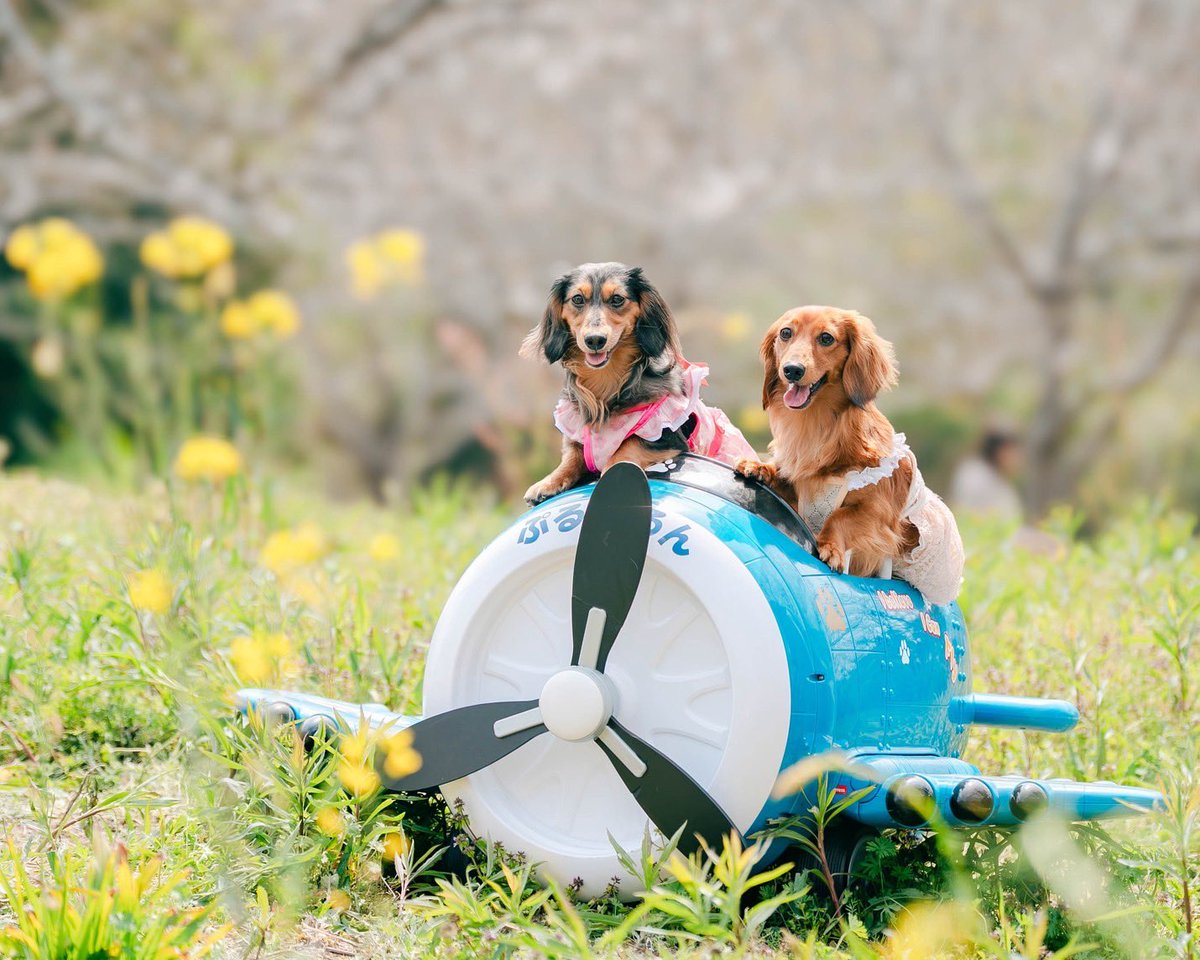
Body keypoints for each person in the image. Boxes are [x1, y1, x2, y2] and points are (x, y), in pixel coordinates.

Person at [951, 427, 1023, 520]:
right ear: (1000, 451)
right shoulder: (976, 476)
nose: (1018, 458)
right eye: (1013, 451)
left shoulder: (997, 478)